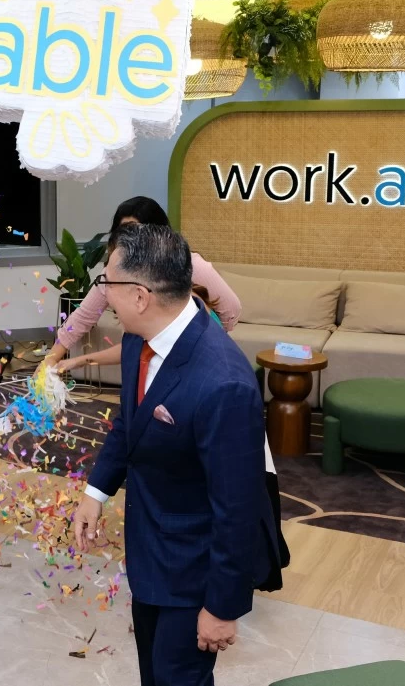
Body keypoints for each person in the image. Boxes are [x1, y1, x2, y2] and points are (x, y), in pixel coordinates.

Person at [72, 224, 279, 686]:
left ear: (140, 295)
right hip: (150, 550)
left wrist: (221, 607)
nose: (103, 294)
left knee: (177, 678)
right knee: (155, 673)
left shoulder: (223, 383)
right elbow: (129, 421)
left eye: (107, 283)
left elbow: (238, 509)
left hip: (194, 570)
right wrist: (95, 492)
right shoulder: (138, 338)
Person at [42, 196, 241, 370]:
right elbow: (83, 317)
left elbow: (231, 308)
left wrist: (208, 337)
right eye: (123, 234)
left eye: (137, 232)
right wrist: (51, 359)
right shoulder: (113, 274)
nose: (130, 242)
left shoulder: (192, 265)